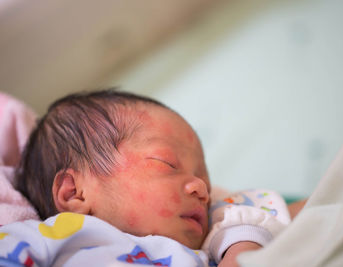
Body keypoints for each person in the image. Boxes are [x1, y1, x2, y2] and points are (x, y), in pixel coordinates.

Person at [0, 89, 291, 266]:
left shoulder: (202, 251)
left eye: (203, 177)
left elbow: (246, 226)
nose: (202, 188)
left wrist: (242, 245)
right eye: (167, 163)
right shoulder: (48, 238)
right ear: (75, 193)